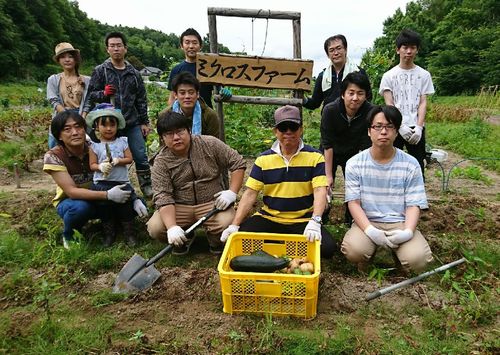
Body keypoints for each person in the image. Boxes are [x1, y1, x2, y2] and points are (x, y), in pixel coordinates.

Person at [221, 105, 336, 259]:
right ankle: (288, 250)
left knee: (328, 248)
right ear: (275, 131)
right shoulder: (263, 159)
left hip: (303, 219)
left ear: (300, 130)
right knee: (237, 240)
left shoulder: (315, 157)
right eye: (283, 128)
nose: (288, 132)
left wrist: (315, 220)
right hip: (269, 217)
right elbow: (250, 194)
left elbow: (319, 190)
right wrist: (234, 225)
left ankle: (279, 249)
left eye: (293, 127)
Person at [341, 105, 433, 272]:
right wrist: (370, 230)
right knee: (354, 250)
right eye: (378, 126)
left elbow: (414, 204)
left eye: (389, 126)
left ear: (396, 132)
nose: (383, 132)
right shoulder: (355, 163)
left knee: (418, 260)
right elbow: (353, 203)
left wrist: (408, 232)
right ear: (369, 131)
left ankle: (401, 259)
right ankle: (366, 257)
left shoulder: (410, 164)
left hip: (400, 222)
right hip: (368, 221)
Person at [146, 111, 246, 255]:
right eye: (169, 134)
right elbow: (163, 195)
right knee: (156, 227)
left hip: (212, 202)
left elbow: (237, 163)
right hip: (179, 205)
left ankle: (215, 240)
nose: (176, 137)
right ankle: (183, 238)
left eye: (180, 131)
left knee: (228, 221)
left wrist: (232, 192)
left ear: (189, 130)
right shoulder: (161, 162)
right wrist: (172, 226)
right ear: (162, 138)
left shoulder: (209, 143)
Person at [43, 110, 133, 249]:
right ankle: (70, 235)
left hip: (100, 196)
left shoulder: (95, 147)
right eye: (67, 129)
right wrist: (108, 195)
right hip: (72, 201)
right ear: (59, 135)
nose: (75, 132)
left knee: (132, 203)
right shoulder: (54, 156)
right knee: (81, 208)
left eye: (78, 127)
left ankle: (113, 228)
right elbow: (72, 192)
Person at [83, 31, 153, 199]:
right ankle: (110, 185)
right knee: (107, 155)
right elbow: (92, 95)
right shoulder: (101, 71)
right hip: (108, 122)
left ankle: (146, 186)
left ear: (125, 48)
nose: (116, 49)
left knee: (140, 154)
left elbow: (141, 99)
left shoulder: (134, 73)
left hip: (131, 120)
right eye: (112, 46)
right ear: (107, 49)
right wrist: (103, 94)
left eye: (119, 45)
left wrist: (144, 122)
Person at [86, 104, 148, 247]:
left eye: (112, 125)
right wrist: (100, 167)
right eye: (104, 125)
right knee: (105, 210)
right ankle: (109, 233)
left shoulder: (122, 142)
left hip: (120, 182)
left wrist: (118, 161)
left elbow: (129, 159)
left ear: (117, 126)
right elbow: (92, 165)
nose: (109, 129)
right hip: (102, 183)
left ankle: (129, 233)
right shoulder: (95, 146)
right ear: (97, 126)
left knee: (125, 209)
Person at [379, 29, 435, 177]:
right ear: (398, 50)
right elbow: (389, 103)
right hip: (395, 127)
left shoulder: (424, 75)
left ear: (417, 50)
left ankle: (417, 197)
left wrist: (419, 127)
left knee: (417, 165)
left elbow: (423, 102)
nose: (408, 51)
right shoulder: (388, 76)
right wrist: (399, 125)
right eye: (405, 47)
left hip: (416, 127)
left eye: (413, 47)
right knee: (391, 163)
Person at [321, 72, 374, 225]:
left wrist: (359, 173)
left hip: (354, 154)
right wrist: (328, 175)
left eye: (360, 93)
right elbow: (327, 144)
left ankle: (350, 219)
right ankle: (322, 218)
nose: (355, 98)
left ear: (366, 95)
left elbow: (365, 147)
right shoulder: (330, 110)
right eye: (351, 93)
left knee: (355, 187)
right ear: (343, 94)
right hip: (330, 151)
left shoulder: (370, 112)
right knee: (324, 184)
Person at [303, 34, 372, 112]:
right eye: (331, 50)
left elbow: (368, 98)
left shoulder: (358, 73)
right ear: (328, 55)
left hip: (355, 120)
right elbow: (315, 103)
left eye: (339, 48)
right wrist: (303, 99)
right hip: (329, 120)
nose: (336, 53)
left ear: (345, 49)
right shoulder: (323, 76)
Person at [167, 28, 231, 109]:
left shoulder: (210, 68)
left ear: (200, 46)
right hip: (182, 116)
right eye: (187, 43)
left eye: (194, 43)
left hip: (205, 115)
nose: (191, 46)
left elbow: (218, 89)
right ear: (181, 46)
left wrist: (223, 91)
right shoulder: (176, 70)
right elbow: (172, 97)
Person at [47, 42, 90, 149]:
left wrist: (81, 118)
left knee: (89, 145)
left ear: (75, 59)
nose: (67, 60)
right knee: (55, 145)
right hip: (61, 115)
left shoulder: (87, 80)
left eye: (70, 56)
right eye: (62, 57)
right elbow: (53, 100)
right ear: (58, 61)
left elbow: (89, 101)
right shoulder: (54, 79)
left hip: (81, 116)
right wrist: (67, 117)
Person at [165, 72, 220, 138]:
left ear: (198, 94)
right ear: (175, 95)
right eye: (182, 93)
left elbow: (214, 144)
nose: (187, 96)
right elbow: (164, 144)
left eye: (191, 93)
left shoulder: (210, 116)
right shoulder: (165, 115)